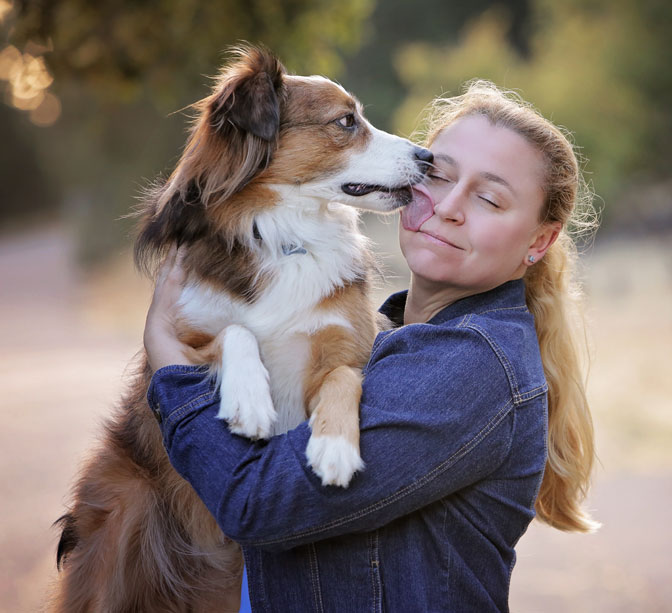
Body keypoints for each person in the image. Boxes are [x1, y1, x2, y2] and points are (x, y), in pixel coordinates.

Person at [143, 80, 598, 612]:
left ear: (539, 241)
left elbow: (258, 504)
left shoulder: (471, 366)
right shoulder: (388, 335)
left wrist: (168, 363)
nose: (449, 206)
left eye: (490, 199)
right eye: (440, 174)